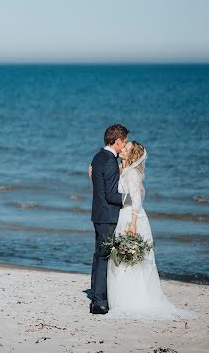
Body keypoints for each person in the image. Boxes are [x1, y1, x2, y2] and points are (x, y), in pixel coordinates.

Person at [106, 141, 197, 319]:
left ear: (132, 155)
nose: (122, 148)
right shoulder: (125, 170)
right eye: (123, 146)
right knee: (123, 258)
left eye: (126, 148)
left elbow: (136, 199)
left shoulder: (132, 174)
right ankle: (124, 298)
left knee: (133, 258)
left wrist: (132, 223)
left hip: (132, 217)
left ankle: (135, 300)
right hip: (124, 215)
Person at [89, 124, 129, 314]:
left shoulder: (97, 157)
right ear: (118, 140)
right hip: (108, 216)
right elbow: (112, 196)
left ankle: (97, 299)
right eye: (125, 141)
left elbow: (99, 189)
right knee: (104, 257)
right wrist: (131, 199)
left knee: (99, 256)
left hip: (98, 213)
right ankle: (100, 302)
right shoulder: (110, 162)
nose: (125, 145)